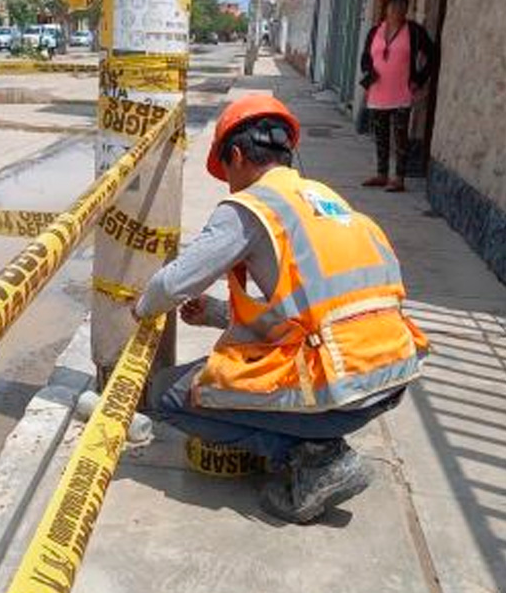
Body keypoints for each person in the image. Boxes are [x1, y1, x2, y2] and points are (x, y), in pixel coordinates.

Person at [132, 94, 430, 524]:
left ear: (236, 155)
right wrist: (216, 312)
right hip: (392, 376)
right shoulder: (325, 199)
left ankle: (319, 458)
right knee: (237, 376)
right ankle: (315, 443)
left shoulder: (253, 206)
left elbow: (172, 283)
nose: (229, 184)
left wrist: (139, 310)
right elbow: (313, 308)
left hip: (341, 390)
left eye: (227, 171)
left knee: (168, 394)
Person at [359, 0, 437, 193]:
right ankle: (381, 174)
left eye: (402, 6)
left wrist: (418, 79)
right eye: (393, 5)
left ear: (406, 9)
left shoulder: (414, 31)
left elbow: (432, 55)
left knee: (401, 136)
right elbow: (365, 58)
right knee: (381, 135)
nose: (396, 10)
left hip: (401, 93)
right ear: (386, 8)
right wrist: (369, 71)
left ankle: (399, 178)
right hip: (378, 92)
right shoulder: (375, 31)